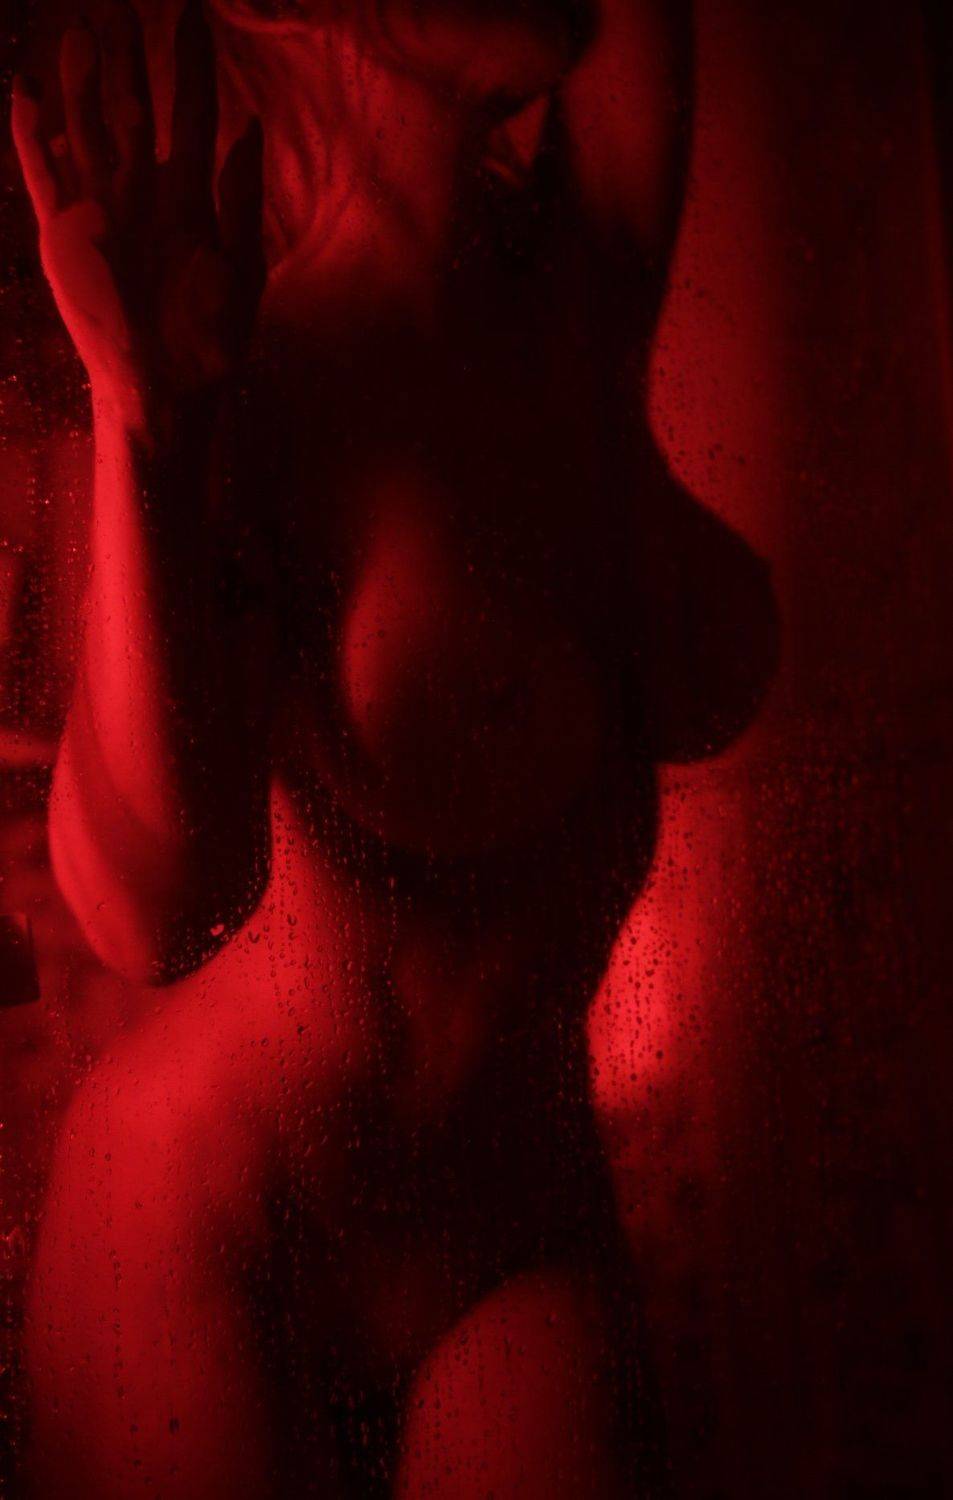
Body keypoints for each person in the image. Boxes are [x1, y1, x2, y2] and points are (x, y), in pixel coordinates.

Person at [10, 0, 776, 1492]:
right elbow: (150, 911)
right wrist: (149, 424)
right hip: (216, 1229)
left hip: (519, 1225)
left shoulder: (583, 276)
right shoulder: (249, 347)